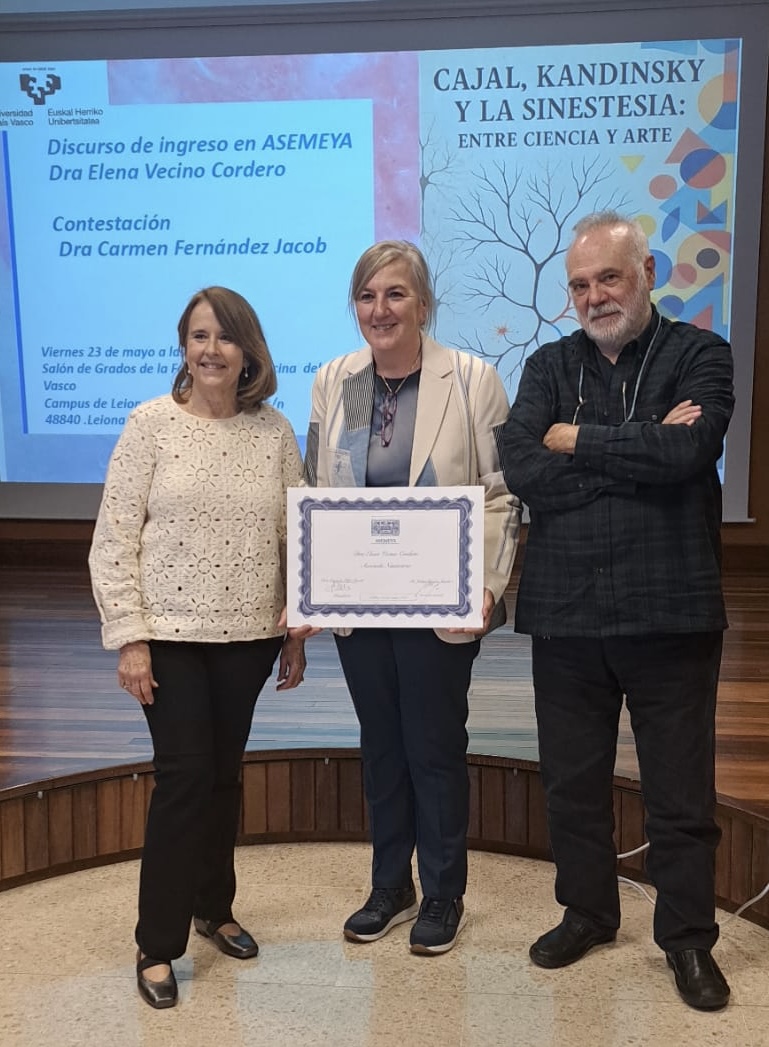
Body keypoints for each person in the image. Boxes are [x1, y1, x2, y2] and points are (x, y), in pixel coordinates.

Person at [501, 211, 734, 1010]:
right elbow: (524, 467)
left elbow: (687, 452)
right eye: (578, 283)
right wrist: (632, 445)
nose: (593, 295)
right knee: (571, 785)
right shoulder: (544, 365)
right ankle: (588, 912)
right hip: (565, 614)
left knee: (678, 793)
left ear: (646, 274)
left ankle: (687, 940)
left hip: (671, 612)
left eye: (609, 277)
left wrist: (581, 439)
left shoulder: (701, 354)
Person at [88, 286, 306, 1009]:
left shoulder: (272, 431)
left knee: (222, 776)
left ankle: (214, 906)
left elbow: (295, 535)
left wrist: (297, 628)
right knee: (184, 779)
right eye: (197, 336)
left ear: (249, 349)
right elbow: (113, 537)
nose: (210, 349)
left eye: (224, 336)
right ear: (183, 347)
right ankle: (158, 941)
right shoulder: (150, 424)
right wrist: (130, 638)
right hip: (169, 637)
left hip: (247, 636)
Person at [302, 240, 520, 955]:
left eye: (394, 294)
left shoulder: (471, 379)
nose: (379, 309)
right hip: (358, 600)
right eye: (366, 295)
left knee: (432, 745)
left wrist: (487, 584)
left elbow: (498, 493)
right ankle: (389, 884)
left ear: (422, 304)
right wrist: (308, 586)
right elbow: (314, 488)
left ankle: (444, 892)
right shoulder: (335, 379)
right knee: (380, 746)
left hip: (439, 598)